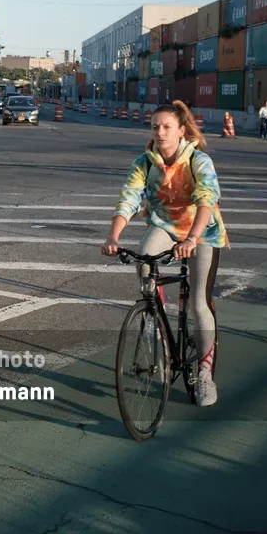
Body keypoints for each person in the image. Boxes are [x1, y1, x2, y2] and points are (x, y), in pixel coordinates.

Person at [101, 100, 229, 407]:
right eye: (155, 126)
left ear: (181, 130)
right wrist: (113, 237)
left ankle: (204, 374)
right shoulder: (145, 163)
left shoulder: (198, 160)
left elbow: (206, 200)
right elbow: (128, 200)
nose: (160, 132)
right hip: (167, 226)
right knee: (145, 255)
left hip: (203, 232)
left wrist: (193, 238)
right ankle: (152, 321)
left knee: (199, 302)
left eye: (166, 127)